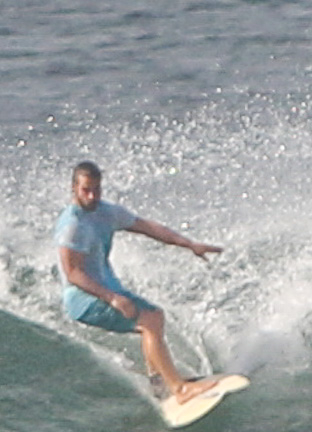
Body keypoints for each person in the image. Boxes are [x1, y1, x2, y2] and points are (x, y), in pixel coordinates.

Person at [53, 160, 222, 404]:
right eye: (86, 190)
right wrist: (112, 298)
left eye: (97, 190)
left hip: (106, 289)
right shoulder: (72, 225)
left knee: (155, 316)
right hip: (84, 299)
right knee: (150, 321)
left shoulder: (106, 212)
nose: (92, 196)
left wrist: (189, 244)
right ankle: (180, 390)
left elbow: (148, 227)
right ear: (74, 189)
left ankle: (158, 382)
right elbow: (73, 273)